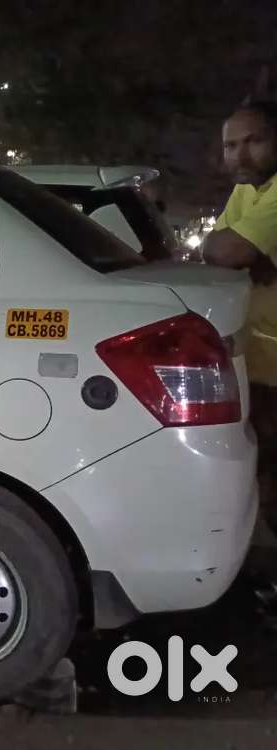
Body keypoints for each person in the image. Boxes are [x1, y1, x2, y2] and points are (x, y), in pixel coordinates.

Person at [204, 100, 277, 531]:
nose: (241, 156)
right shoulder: (248, 189)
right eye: (232, 146)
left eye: (255, 142)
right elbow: (213, 250)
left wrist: (239, 251)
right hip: (260, 364)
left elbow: (229, 250)